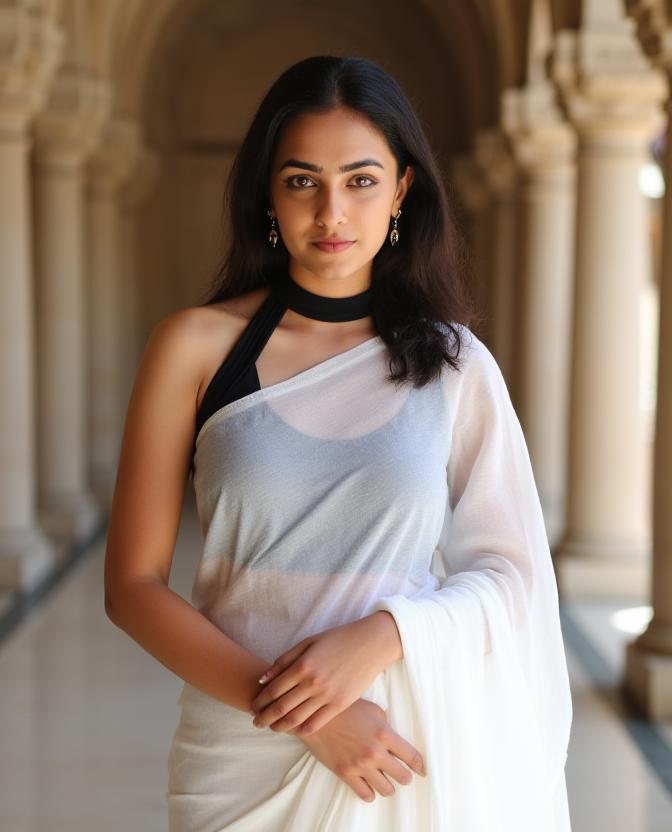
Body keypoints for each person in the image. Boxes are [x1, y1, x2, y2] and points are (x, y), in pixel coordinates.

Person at [104, 55, 573, 831]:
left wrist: (386, 635)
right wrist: (309, 715)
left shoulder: (454, 365)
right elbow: (132, 587)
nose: (331, 213)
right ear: (268, 194)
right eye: (302, 182)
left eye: (359, 180)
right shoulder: (195, 348)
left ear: (401, 191)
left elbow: (513, 573)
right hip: (239, 749)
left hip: (397, 745)